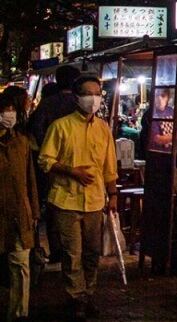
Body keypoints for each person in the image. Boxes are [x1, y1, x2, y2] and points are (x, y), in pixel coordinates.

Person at [38, 75, 118, 320]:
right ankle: (76, 297)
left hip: (94, 201)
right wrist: (71, 171)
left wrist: (112, 195)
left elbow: (109, 166)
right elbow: (45, 160)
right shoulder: (60, 126)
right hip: (66, 200)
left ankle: (88, 293)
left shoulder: (103, 128)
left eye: (97, 94)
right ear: (77, 98)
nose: (93, 99)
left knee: (92, 252)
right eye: (88, 94)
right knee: (72, 254)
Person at [29, 65, 80, 264]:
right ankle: (74, 249)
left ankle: (58, 250)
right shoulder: (77, 104)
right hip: (78, 162)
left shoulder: (48, 104)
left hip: (52, 164)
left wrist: (47, 148)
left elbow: (36, 127)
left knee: (54, 206)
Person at [0, 92, 40, 322]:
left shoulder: (21, 142)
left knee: (21, 265)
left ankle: (18, 313)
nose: (9, 115)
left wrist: (33, 210)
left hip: (19, 213)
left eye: (12, 110)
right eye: (6, 110)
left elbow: (30, 180)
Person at [146, 88, 177, 153]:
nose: (160, 99)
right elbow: (157, 139)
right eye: (157, 95)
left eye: (163, 96)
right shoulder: (151, 113)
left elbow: (176, 130)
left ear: (168, 97)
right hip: (157, 154)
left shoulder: (171, 111)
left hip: (171, 152)